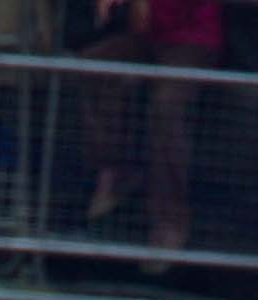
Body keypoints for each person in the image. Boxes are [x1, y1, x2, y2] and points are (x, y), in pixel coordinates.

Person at [78, 0, 224, 266]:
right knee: (92, 66)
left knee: (166, 105)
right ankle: (116, 170)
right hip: (145, 38)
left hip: (193, 41)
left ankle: (170, 222)